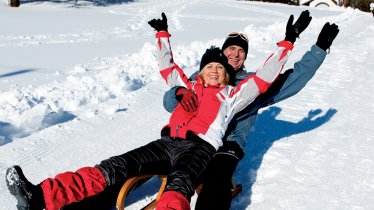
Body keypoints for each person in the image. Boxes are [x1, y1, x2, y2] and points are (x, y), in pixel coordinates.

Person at [5, 12, 296, 210]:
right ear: (202, 71)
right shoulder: (189, 86)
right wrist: (162, 34)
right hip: (166, 143)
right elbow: (168, 67)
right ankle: (41, 195)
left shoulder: (233, 95)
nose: (216, 71)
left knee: (179, 185)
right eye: (210, 66)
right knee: (113, 166)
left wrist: (287, 43)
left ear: (226, 75)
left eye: (220, 68)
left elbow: (263, 79)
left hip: (199, 150)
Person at [162, 14, 340, 210]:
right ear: (223, 51)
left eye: (241, 51)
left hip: (226, 146)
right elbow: (170, 103)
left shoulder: (255, 85)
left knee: (217, 178)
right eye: (231, 48)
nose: (236, 54)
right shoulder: (202, 77)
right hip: (192, 139)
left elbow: (294, 79)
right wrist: (177, 95)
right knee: (150, 158)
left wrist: (320, 48)